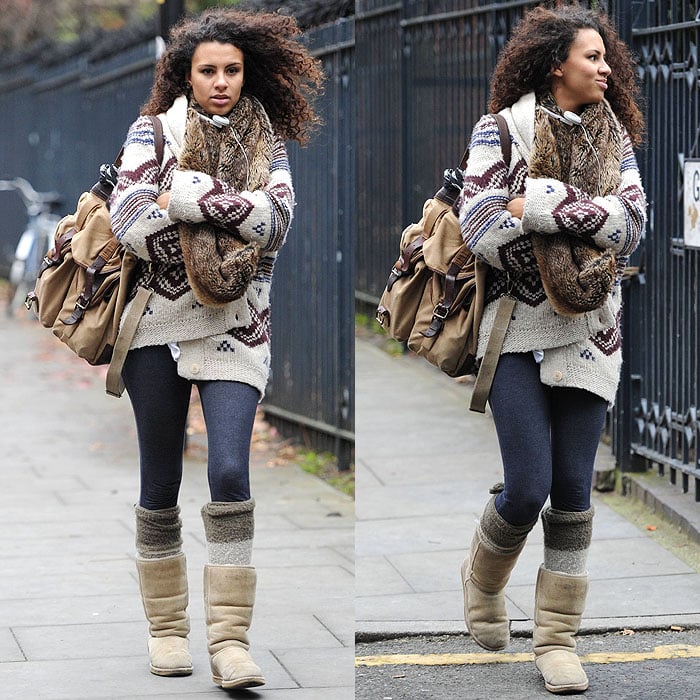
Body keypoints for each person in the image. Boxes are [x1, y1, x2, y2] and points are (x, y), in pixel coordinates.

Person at [109, 8, 322, 690]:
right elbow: (131, 217)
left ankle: (230, 642)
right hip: (155, 330)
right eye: (209, 71)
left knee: (230, 472)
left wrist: (189, 197)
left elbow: (279, 223)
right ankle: (168, 632)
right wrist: (228, 228)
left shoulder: (271, 140)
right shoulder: (153, 130)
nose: (222, 82)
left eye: (232, 70)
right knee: (161, 480)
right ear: (185, 75)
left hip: (238, 327)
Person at [458, 5, 646, 695]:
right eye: (592, 57)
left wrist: (535, 205)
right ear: (554, 64)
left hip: (593, 333)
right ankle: (481, 579)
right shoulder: (500, 128)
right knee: (528, 486)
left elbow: (633, 227)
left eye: (606, 58)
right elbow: (479, 223)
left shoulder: (613, 133)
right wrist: (584, 218)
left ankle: (558, 641)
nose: (606, 68)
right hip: (515, 332)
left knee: (571, 493)